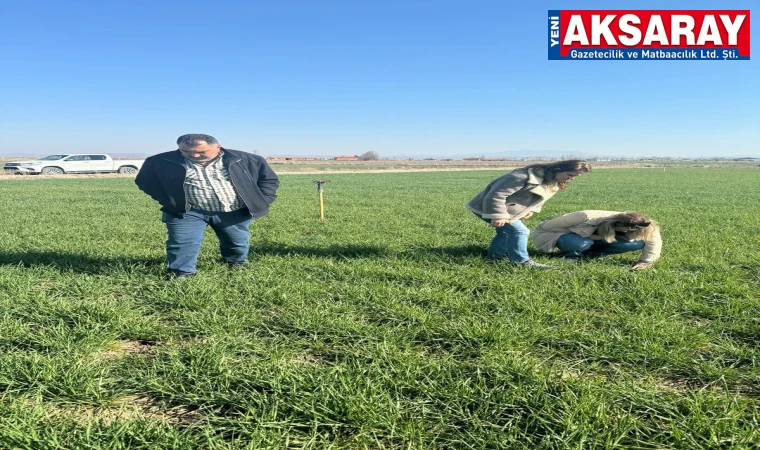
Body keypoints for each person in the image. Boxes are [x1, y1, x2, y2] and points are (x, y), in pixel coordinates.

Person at [135, 134, 279, 278]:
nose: (195, 155)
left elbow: (269, 181)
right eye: (187, 152)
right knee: (182, 241)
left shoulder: (247, 159)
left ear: (218, 147)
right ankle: (181, 272)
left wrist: (262, 200)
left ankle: (236, 264)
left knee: (236, 241)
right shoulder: (160, 161)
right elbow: (145, 181)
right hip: (187, 211)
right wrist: (168, 200)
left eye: (202, 152)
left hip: (234, 210)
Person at [465, 160, 591, 268]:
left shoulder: (550, 181)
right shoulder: (521, 177)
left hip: (506, 210)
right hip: (487, 208)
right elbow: (495, 195)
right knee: (520, 231)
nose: (571, 179)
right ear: (558, 169)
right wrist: (498, 215)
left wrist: (530, 210)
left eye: (574, 176)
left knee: (505, 232)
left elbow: (539, 199)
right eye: (569, 175)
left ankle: (494, 257)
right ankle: (521, 262)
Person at [531, 211, 662, 270]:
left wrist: (646, 261)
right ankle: (571, 256)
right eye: (625, 229)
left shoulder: (645, 225)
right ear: (615, 223)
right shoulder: (584, 217)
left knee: (638, 243)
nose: (627, 232)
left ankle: (591, 254)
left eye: (631, 231)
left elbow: (654, 241)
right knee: (583, 242)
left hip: (592, 238)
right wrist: (591, 236)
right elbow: (547, 227)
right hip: (556, 233)